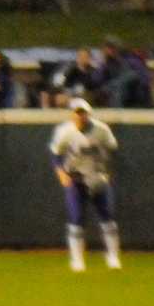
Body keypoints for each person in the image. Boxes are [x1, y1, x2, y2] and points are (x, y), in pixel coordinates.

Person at [51, 98, 121, 272]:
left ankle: (113, 257)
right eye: (77, 112)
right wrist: (61, 174)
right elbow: (56, 154)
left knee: (108, 219)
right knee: (76, 220)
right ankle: (77, 260)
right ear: (72, 115)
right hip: (76, 178)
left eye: (83, 112)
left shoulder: (101, 129)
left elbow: (112, 150)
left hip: (97, 176)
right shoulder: (64, 132)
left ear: (88, 113)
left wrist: (109, 172)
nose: (81, 116)